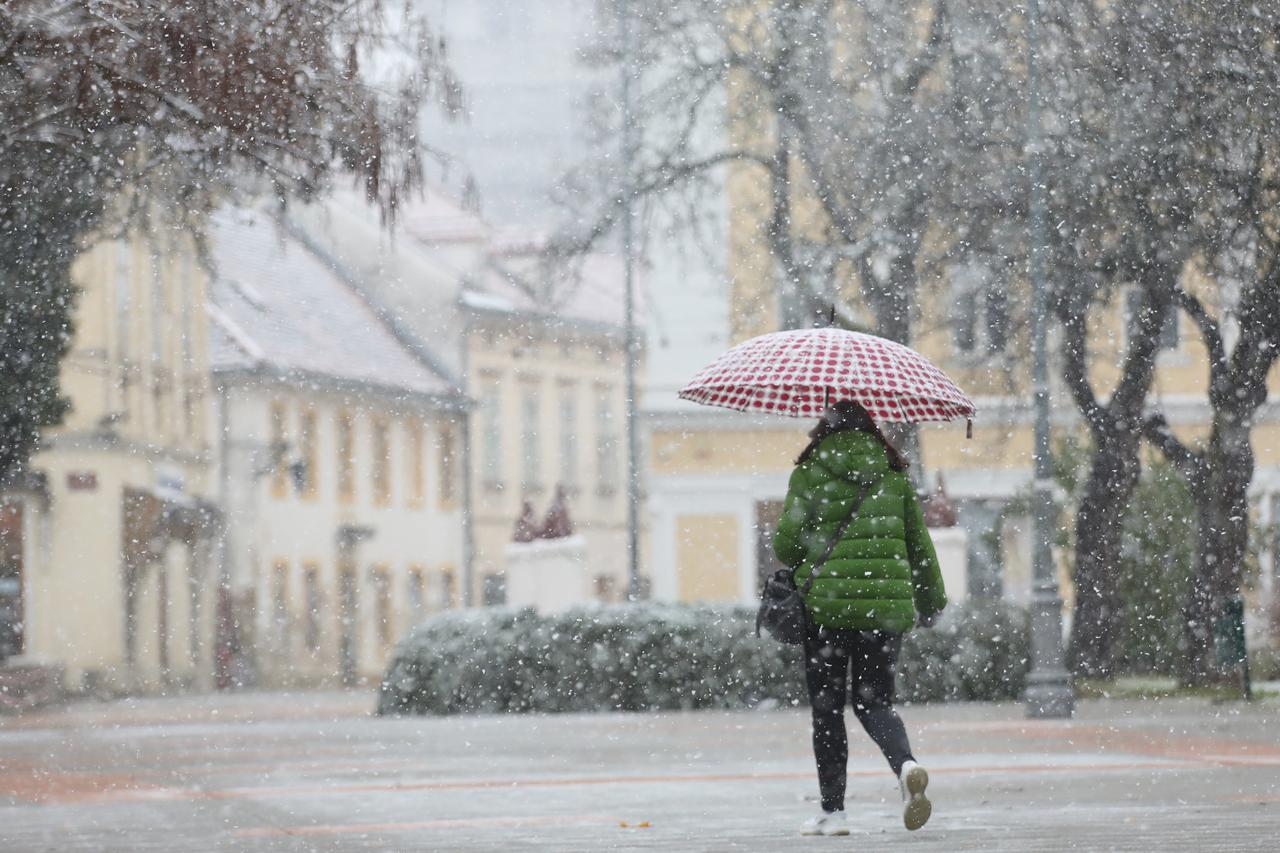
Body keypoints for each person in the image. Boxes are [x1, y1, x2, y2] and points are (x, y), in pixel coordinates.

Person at [773, 400, 947, 836]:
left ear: (821, 431)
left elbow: (787, 546)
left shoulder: (810, 474)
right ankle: (906, 765)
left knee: (828, 710)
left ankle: (834, 814)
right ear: (874, 431)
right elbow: (919, 546)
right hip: (885, 612)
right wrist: (931, 600)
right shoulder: (893, 477)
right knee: (875, 703)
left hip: (826, 610)